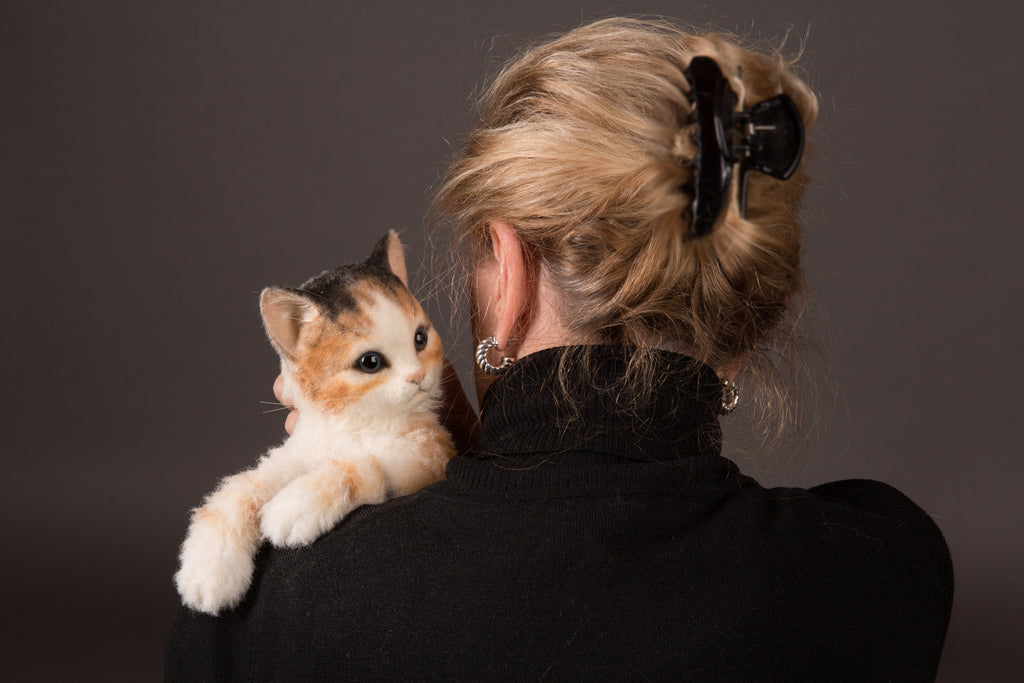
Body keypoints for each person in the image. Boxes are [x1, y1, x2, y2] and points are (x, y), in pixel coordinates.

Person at [166, 18, 953, 680]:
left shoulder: (274, 598)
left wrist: (384, 453)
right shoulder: (881, 572)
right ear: (745, 329)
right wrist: (448, 443)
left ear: (506, 277)